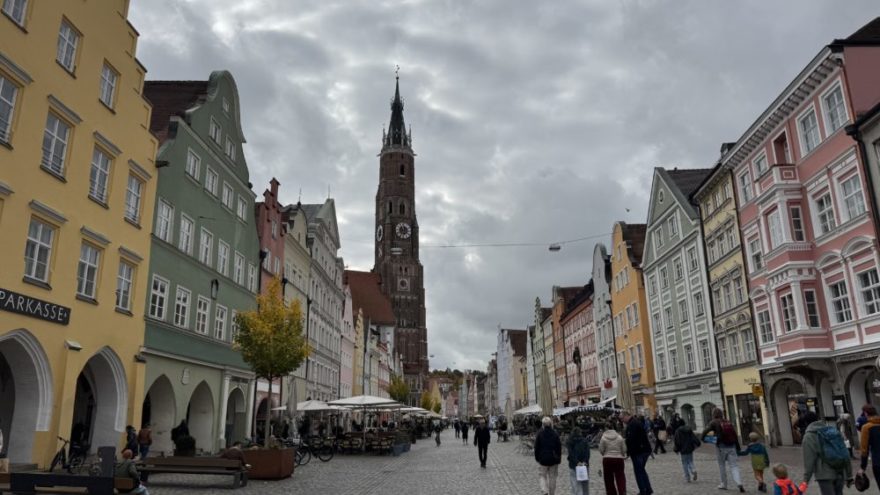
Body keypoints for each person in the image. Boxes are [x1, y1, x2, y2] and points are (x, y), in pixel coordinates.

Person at [802, 411, 853, 495]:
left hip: (824, 475)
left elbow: (809, 460)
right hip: (839, 472)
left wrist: (805, 480)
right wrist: (849, 474)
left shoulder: (809, 436)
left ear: (806, 423)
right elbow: (845, 453)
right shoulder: (832, 431)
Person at [702, 407, 744, 492]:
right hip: (732, 446)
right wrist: (738, 447)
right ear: (721, 414)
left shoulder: (713, 422)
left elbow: (705, 432)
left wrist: (703, 439)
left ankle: (724, 484)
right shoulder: (727, 421)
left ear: (713, 414)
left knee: (722, 465)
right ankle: (739, 483)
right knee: (734, 466)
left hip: (721, 447)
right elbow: (735, 435)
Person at [623, 410, 653, 495]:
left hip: (638, 451)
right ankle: (648, 489)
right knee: (641, 470)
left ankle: (643, 490)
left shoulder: (632, 424)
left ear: (626, 416)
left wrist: (628, 453)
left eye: (622, 418)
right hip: (643, 450)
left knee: (639, 472)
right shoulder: (635, 422)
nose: (622, 421)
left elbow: (631, 440)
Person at [534, 416, 562, 495]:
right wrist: (559, 458)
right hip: (553, 458)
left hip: (542, 459)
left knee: (542, 476)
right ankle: (552, 493)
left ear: (543, 424)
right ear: (550, 424)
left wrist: (537, 457)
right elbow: (559, 447)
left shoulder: (539, 434)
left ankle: (544, 490)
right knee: (552, 477)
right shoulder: (555, 433)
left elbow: (536, 447)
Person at [598, 422, 627, 495]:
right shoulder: (619, 437)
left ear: (605, 429)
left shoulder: (603, 438)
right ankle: (622, 491)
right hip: (618, 459)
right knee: (620, 476)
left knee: (608, 478)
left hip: (607, 459)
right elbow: (624, 449)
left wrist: (604, 454)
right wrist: (622, 454)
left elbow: (601, 449)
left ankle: (611, 492)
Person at [858, 404, 880, 489]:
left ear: (866, 413)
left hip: (878, 462)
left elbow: (864, 449)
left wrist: (863, 467)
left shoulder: (866, 428)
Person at [566, 427, 590, 495]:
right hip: (584, 465)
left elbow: (571, 454)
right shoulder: (585, 441)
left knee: (575, 484)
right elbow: (587, 453)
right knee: (585, 484)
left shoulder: (570, 441)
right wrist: (584, 461)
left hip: (573, 465)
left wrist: (577, 462)